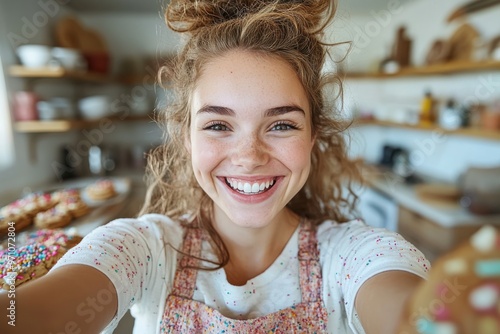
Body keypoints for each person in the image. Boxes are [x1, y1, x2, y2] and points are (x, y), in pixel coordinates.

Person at [0, 0, 429, 333]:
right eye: (219, 124)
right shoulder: (145, 250)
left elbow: (413, 315)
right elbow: (25, 319)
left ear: (313, 137)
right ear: (186, 138)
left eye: (280, 124)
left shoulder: (351, 257)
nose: (249, 156)